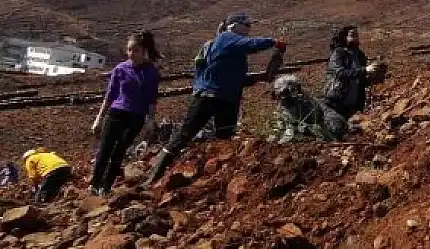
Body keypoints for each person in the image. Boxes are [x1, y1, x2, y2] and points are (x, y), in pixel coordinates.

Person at [145, 13, 285, 187]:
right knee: (185, 135)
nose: (249, 28)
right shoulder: (228, 38)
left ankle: (217, 180)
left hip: (224, 97)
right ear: (234, 26)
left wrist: (256, 78)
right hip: (211, 96)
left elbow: (232, 76)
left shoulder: (232, 49)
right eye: (247, 25)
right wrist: (274, 42)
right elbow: (253, 44)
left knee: (223, 139)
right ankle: (153, 178)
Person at [89, 30, 162, 195]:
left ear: (144, 51)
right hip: (116, 112)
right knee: (105, 149)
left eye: (135, 50)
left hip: (136, 117)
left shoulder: (151, 72)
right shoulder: (120, 69)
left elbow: (152, 99)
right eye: (129, 50)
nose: (131, 54)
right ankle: (95, 184)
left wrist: (151, 120)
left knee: (119, 151)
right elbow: (110, 95)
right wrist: (98, 119)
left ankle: (106, 186)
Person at [322, 25, 373, 133]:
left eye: (357, 35)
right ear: (344, 37)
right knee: (337, 129)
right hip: (335, 102)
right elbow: (339, 73)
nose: (355, 38)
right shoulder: (339, 53)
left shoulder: (360, 55)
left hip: (353, 106)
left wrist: (372, 77)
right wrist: (364, 70)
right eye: (352, 35)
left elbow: (360, 79)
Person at [272, 75, 345, 143]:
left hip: (328, 127)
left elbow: (308, 125)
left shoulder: (306, 103)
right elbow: (282, 125)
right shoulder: (284, 106)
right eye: (279, 94)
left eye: (285, 93)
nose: (282, 98)